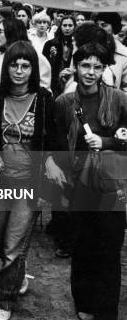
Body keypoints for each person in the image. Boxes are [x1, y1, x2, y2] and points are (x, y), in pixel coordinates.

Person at [0, 41, 59, 320]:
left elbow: (54, 145)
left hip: (29, 183)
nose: (20, 70)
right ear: (7, 66)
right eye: (15, 64)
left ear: (33, 69)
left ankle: (4, 301)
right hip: (1, 181)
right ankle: (17, 274)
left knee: (13, 246)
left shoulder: (44, 99)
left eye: (26, 65)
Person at [53, 42, 127, 320]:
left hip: (113, 184)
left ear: (105, 68)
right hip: (78, 185)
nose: (91, 72)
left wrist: (106, 140)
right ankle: (84, 305)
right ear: (76, 66)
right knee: (83, 247)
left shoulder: (119, 100)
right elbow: (57, 146)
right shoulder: (63, 103)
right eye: (85, 65)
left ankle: (106, 311)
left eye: (98, 67)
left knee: (109, 249)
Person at [43, 15, 76, 96]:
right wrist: (51, 56)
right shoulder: (50, 44)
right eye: (64, 25)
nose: (67, 28)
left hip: (72, 83)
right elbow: (43, 65)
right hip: (54, 83)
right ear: (60, 27)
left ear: (75, 27)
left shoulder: (78, 44)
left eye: (70, 25)